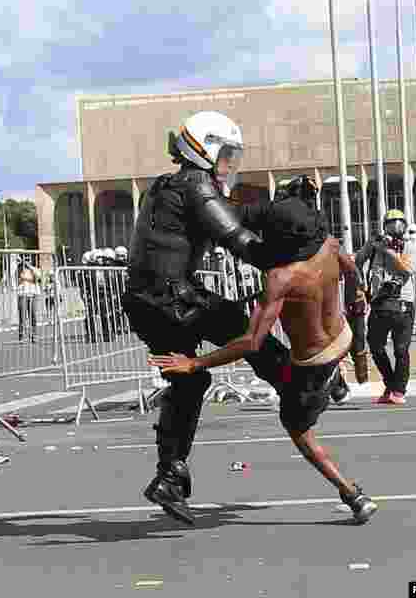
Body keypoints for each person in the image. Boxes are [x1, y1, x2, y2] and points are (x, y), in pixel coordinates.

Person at [149, 178, 378, 525]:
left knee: (296, 426)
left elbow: (251, 342)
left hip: (313, 360)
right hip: (341, 338)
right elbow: (351, 268)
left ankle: (352, 494)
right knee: (292, 371)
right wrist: (357, 294)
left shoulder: (281, 279)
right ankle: (336, 383)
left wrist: (195, 363)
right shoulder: (330, 245)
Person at [122, 111, 290, 525]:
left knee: (190, 378)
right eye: (226, 154)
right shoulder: (195, 183)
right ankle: (295, 382)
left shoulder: (165, 184)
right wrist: (287, 259)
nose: (230, 163)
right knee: (243, 327)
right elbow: (237, 238)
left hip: (145, 302)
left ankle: (169, 475)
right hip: (173, 298)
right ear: (205, 148)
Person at [355, 209, 416, 405]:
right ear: (384, 225)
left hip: (403, 303)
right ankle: (391, 383)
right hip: (379, 303)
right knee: (375, 346)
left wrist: (389, 251)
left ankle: (399, 390)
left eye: (399, 223)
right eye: (391, 223)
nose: (395, 227)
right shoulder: (378, 245)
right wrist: (370, 245)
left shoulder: (411, 246)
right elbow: (358, 260)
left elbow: (408, 269)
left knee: (401, 350)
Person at [16, 260, 40, 343]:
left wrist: (30, 267)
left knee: (33, 316)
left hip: (32, 295)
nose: (26, 263)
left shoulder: (33, 270)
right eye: (25, 262)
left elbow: (39, 275)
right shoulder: (19, 269)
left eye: (28, 261)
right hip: (22, 294)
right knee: (22, 317)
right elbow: (16, 279)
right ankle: (21, 336)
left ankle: (34, 335)